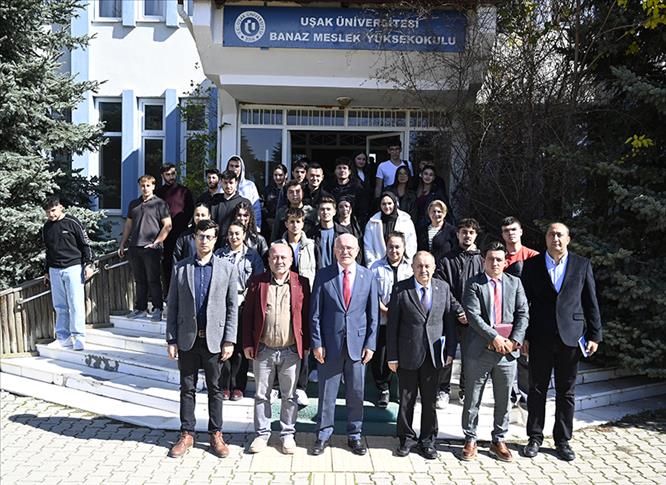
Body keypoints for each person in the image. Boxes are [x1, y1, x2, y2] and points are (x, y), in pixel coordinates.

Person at [521, 222, 602, 462]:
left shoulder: (581, 265)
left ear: (568, 239)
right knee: (537, 389)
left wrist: (595, 335)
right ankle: (534, 437)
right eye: (551, 234)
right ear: (545, 238)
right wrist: (523, 335)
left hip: (571, 337)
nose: (555, 238)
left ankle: (563, 440)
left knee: (566, 391)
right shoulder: (532, 265)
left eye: (560, 235)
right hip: (540, 337)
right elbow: (523, 304)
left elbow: (590, 302)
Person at [165, 219, 238, 459]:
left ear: (216, 240)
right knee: (187, 388)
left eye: (209, 237)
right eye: (200, 236)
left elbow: (232, 307)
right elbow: (173, 305)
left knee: (215, 389)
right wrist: (171, 339)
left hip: (214, 340)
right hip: (187, 339)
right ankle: (187, 433)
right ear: (194, 237)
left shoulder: (227, 269)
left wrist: (229, 339)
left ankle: (216, 434)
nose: (204, 240)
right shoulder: (181, 268)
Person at [387, 251, 463, 459]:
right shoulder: (400, 289)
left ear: (434, 267)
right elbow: (392, 326)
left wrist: (450, 352)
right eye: (419, 266)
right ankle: (406, 439)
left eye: (427, 266)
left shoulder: (443, 288)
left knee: (430, 401)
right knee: (406, 401)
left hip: (434, 355)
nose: (424, 270)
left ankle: (428, 441)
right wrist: (392, 356)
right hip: (408, 355)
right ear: (412, 267)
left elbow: (449, 323)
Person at [309, 234, 379, 456]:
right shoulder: (323, 275)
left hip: (358, 346)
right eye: (341, 247)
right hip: (330, 346)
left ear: (357, 251)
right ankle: (323, 435)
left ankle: (355, 435)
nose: (345, 251)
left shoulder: (368, 276)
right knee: (327, 393)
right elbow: (315, 314)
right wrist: (317, 343)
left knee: (356, 393)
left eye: (350, 248)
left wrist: (370, 344)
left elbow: (373, 315)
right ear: (334, 250)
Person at [460, 241, 529, 463]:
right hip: (479, 351)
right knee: (472, 398)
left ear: (505, 262)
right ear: (484, 260)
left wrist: (514, 341)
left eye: (499, 259)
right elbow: (473, 316)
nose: (495, 263)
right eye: (491, 259)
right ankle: (470, 439)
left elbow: (523, 313)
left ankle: (498, 440)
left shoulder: (515, 283)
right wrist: (495, 338)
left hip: (507, 353)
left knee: (504, 400)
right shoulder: (473, 284)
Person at [242, 243, 311, 455]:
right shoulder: (257, 282)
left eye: (283, 257)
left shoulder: (302, 283)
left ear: (291, 260)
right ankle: (262, 434)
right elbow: (247, 315)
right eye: (275, 257)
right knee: (261, 394)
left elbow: (307, 316)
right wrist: (247, 343)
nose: (279, 261)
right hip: (264, 349)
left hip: (291, 350)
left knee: (289, 395)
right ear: (269, 260)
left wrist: (306, 345)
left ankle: (287, 434)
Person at [435, 218, 484, 408]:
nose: (467, 236)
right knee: (447, 353)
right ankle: (443, 390)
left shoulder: (482, 261)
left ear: (476, 235)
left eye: (471, 232)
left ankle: (465, 389)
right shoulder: (446, 259)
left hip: (473, 318)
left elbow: (483, 290)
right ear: (457, 234)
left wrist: (471, 312)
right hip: (450, 315)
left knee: (470, 356)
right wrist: (458, 310)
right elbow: (442, 287)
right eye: (464, 232)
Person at [216, 221, 264, 401]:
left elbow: (258, 279)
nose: (234, 237)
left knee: (239, 347)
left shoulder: (253, 256)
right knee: (224, 344)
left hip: (244, 303)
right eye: (231, 233)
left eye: (237, 233)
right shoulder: (219, 254)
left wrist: (245, 295)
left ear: (244, 235)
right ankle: (224, 385)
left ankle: (238, 386)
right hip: (223, 304)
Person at [41, 195, 94, 351]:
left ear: (60, 207)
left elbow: (86, 244)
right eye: (47, 212)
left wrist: (89, 264)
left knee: (76, 304)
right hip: (54, 270)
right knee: (60, 306)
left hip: (73, 268)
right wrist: (46, 271)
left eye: (53, 210)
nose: (51, 214)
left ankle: (79, 338)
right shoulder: (46, 227)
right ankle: (63, 338)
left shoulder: (72, 222)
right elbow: (48, 251)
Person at [118, 175, 172, 321]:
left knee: (153, 279)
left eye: (148, 185)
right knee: (139, 280)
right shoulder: (134, 204)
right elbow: (128, 225)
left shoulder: (160, 203)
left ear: (153, 186)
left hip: (151, 247)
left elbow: (168, 225)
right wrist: (123, 243)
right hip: (135, 246)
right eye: (142, 186)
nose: (145, 188)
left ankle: (157, 308)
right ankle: (140, 308)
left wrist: (157, 242)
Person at [370, 231, 413, 408]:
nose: (394, 250)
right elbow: (371, 292)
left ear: (403, 248)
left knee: (404, 354)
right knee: (380, 356)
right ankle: (383, 389)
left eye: (397, 247)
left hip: (405, 319)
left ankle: (403, 390)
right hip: (382, 318)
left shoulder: (410, 267)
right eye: (390, 246)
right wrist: (384, 309)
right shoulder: (376, 267)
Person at [500, 216, 539, 406]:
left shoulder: (533, 256)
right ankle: (508, 395)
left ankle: (526, 396)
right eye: (506, 231)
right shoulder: (498, 258)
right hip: (504, 314)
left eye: (514, 229)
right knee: (505, 357)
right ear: (502, 234)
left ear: (521, 231)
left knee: (525, 357)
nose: (510, 233)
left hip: (527, 314)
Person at [155, 164, 194, 295]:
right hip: (165, 236)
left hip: (181, 234)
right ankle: (169, 294)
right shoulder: (158, 193)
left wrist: (184, 226)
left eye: (173, 174)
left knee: (183, 262)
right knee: (167, 263)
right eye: (168, 174)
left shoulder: (184, 191)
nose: (171, 177)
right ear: (162, 176)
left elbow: (190, 211)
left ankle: (183, 292)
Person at [364, 192, 417, 268]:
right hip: (378, 267)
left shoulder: (406, 220)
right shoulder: (372, 222)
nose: (387, 206)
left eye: (389, 203)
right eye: (384, 204)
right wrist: (371, 265)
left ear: (394, 204)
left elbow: (411, 244)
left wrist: (408, 263)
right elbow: (368, 247)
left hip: (403, 266)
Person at [210, 169, 251, 243]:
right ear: (221, 183)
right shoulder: (214, 201)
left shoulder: (244, 202)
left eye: (231, 183)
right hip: (217, 244)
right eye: (225, 183)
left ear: (236, 183)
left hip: (238, 243)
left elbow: (251, 225)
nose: (228, 186)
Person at [308, 196, 350, 270]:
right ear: (318, 212)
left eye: (328, 209)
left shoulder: (343, 233)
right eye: (322, 209)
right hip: (318, 273)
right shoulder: (311, 234)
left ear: (334, 212)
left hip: (338, 272)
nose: (325, 212)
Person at [327, 157, 369, 225]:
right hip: (333, 222)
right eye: (339, 168)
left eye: (344, 168)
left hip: (354, 223)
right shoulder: (329, 187)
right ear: (335, 171)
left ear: (349, 171)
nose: (342, 170)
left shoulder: (357, 187)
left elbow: (363, 208)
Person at [226, 155, 261, 231]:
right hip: (227, 227)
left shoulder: (250, 186)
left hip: (246, 227)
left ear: (241, 168)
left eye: (237, 166)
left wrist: (257, 227)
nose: (234, 169)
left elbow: (256, 208)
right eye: (231, 166)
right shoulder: (221, 185)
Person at [263, 164, 288, 234]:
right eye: (275, 175)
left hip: (285, 224)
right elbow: (263, 206)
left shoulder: (289, 189)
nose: (277, 177)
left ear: (286, 175)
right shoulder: (268, 189)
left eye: (280, 175)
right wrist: (267, 218)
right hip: (269, 225)